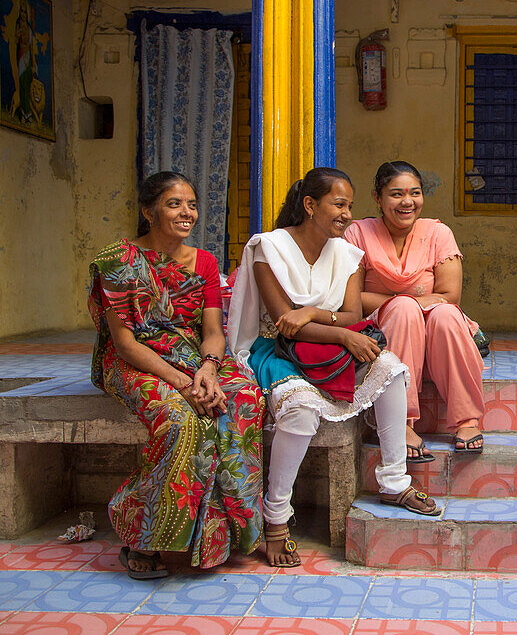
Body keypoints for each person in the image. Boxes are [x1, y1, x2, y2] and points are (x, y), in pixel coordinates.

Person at [228, 168, 439, 568]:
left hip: (325, 348)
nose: (347, 215)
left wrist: (314, 313)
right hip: (275, 349)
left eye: (350, 206)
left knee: (391, 371)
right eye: (338, 205)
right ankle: (275, 517)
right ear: (310, 205)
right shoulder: (266, 248)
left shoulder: (347, 254)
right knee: (300, 411)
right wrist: (340, 332)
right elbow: (284, 322)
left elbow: (353, 313)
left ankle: (394, 482)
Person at [88, 171, 265, 579]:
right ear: (149, 211)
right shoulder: (118, 262)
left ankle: (219, 536)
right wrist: (184, 385)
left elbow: (212, 333)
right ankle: (141, 536)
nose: (187, 213)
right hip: (135, 362)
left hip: (192, 358)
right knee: (181, 421)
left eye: (191, 204)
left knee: (245, 399)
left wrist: (208, 369)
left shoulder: (203, 262)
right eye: (174, 204)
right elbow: (126, 344)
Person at [344, 161, 486, 458]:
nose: (407, 202)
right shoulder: (358, 234)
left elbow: (450, 295)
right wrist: (402, 302)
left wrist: (409, 302)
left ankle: (466, 419)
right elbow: (351, 298)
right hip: (383, 325)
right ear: (378, 197)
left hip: (435, 320)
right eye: (396, 194)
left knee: (446, 315)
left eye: (415, 193)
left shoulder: (437, 233)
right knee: (404, 310)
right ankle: (401, 420)